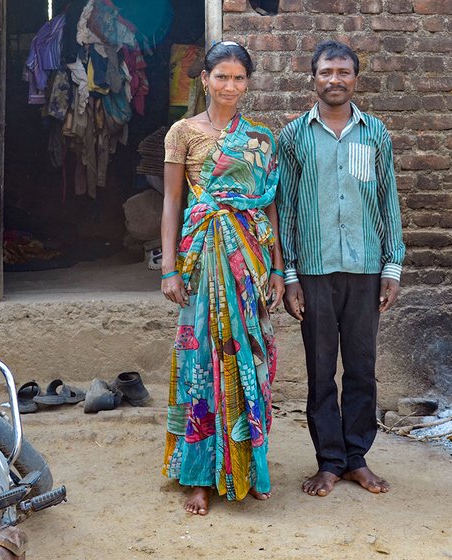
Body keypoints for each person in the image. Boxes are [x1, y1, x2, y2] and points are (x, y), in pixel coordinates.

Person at [277, 40, 405, 498]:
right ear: (312, 77)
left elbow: (387, 200)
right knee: (319, 369)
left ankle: (356, 458)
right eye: (326, 71)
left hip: (366, 266)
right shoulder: (292, 137)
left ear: (356, 78)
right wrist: (289, 275)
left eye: (343, 72)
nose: (335, 79)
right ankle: (328, 461)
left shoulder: (375, 135)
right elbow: (285, 209)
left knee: (362, 368)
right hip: (313, 269)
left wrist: (392, 265)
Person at [160, 41, 284, 515]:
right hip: (203, 257)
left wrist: (275, 267)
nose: (230, 86)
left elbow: (269, 204)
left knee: (250, 359)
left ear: (247, 83)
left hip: (249, 261)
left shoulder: (261, 139)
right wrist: (168, 267)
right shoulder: (182, 133)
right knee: (200, 362)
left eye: (239, 78)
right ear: (205, 78)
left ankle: (247, 466)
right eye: (222, 77)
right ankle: (199, 476)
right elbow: (172, 202)